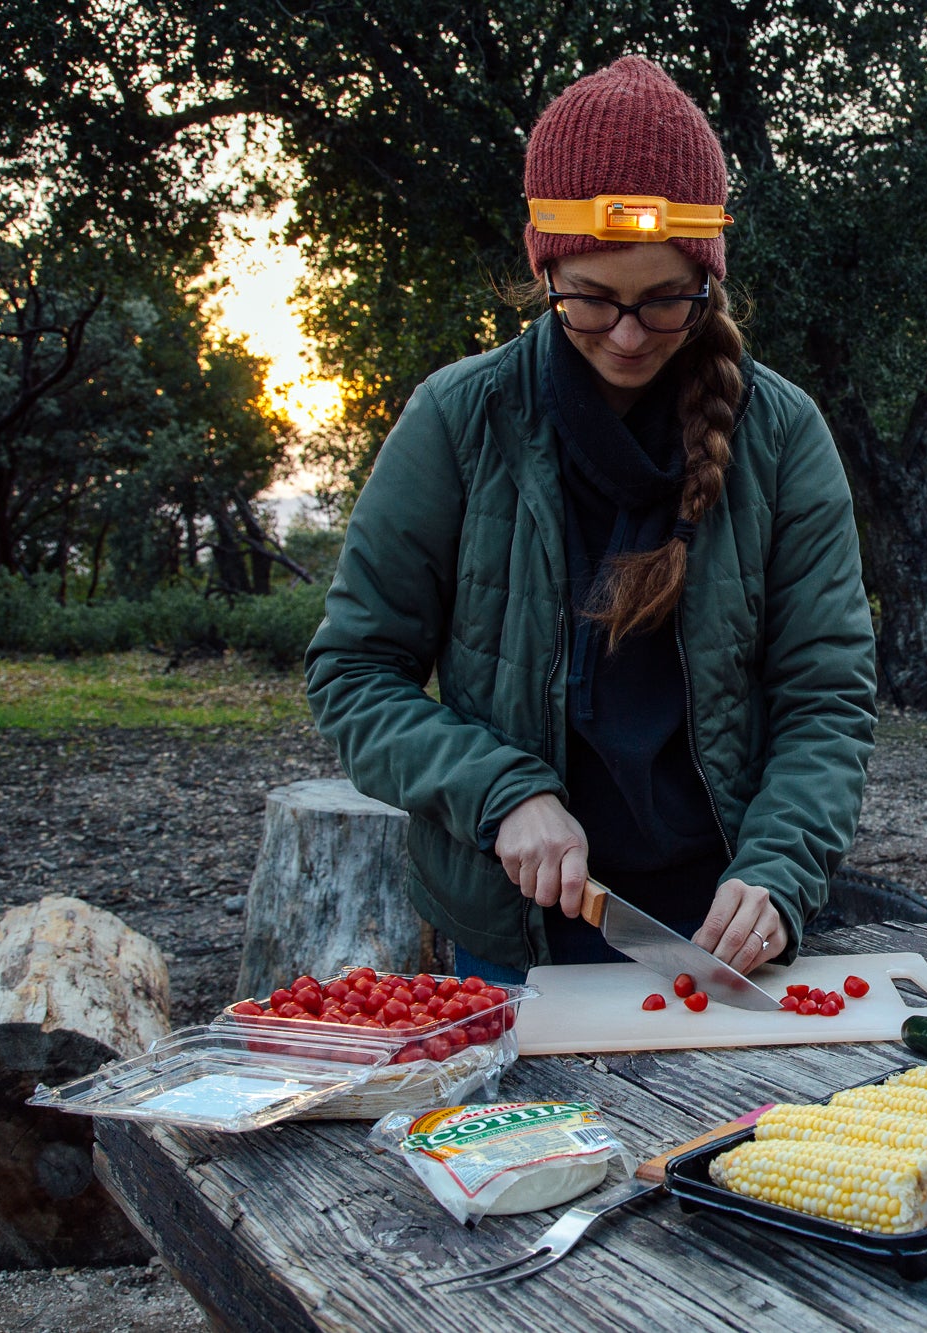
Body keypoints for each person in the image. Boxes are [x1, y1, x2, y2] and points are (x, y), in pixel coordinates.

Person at [304, 56, 876, 987]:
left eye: (662, 301)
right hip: (512, 937)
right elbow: (354, 672)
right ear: (544, 266)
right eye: (592, 299)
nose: (625, 335)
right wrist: (501, 792)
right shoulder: (457, 421)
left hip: (726, 930)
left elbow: (826, 698)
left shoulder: (781, 435)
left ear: (707, 274)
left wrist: (781, 872)